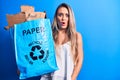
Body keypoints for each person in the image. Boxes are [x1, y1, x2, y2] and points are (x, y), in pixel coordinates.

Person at [40, 3, 83, 80]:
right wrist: (24, 68)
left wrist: (72, 78)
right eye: (60, 15)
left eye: (67, 15)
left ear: (70, 18)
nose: (63, 18)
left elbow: (79, 60)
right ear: (56, 17)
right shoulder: (49, 35)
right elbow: (41, 57)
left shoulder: (76, 36)